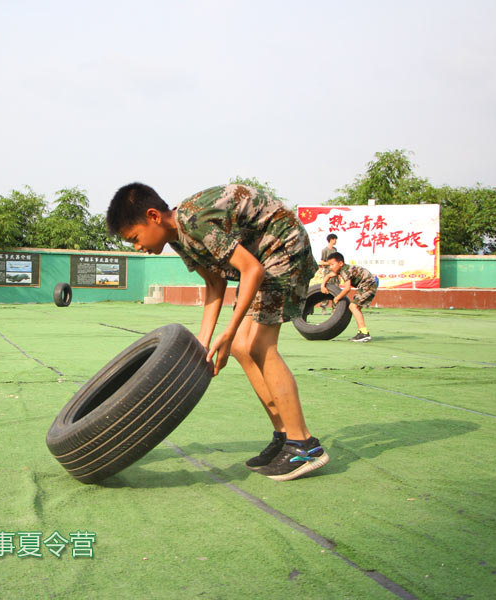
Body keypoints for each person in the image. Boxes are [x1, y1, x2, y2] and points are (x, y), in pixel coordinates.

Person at [106, 183, 329, 481]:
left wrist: (229, 329)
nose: (137, 246)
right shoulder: (178, 238)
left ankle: (304, 445)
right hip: (264, 257)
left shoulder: (192, 221)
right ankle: (284, 434)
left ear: (153, 217)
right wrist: (203, 345)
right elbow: (214, 284)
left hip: (283, 248)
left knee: (260, 346)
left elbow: (251, 270)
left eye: (135, 237)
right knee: (239, 347)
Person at [321, 252, 379, 342]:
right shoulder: (342, 269)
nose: (331, 267)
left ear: (340, 263)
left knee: (353, 306)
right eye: (329, 265)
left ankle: (364, 333)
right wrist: (322, 286)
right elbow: (329, 275)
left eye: (332, 264)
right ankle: (362, 331)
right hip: (367, 285)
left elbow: (347, 288)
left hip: (368, 285)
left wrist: (337, 298)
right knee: (356, 307)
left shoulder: (345, 271)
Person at [317, 234, 339, 313]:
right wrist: (330, 264)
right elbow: (322, 262)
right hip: (327, 272)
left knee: (336, 290)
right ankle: (324, 307)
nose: (336, 241)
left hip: (335, 272)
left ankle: (334, 308)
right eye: (335, 239)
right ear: (331, 239)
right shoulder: (325, 250)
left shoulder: (335, 249)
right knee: (327, 289)